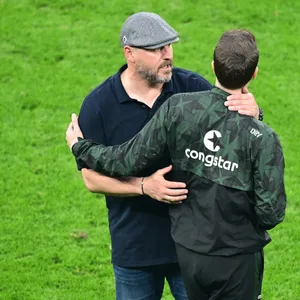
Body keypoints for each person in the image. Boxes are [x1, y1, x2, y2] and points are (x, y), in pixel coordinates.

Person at [67, 29, 286, 300]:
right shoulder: (263, 138)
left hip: (190, 253)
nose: (167, 53)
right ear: (254, 74)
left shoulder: (176, 108)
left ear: (213, 66)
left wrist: (81, 146)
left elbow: (124, 159)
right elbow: (271, 214)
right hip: (236, 257)